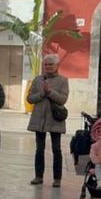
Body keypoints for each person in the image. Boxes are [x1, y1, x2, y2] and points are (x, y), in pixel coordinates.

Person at [27, 54, 69, 188]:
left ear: (57, 66)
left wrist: (50, 92)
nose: (48, 67)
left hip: (55, 119)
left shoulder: (63, 80)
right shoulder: (38, 80)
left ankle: (57, 178)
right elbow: (30, 98)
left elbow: (63, 99)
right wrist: (41, 94)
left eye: (51, 64)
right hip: (39, 119)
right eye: (46, 64)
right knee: (39, 149)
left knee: (56, 149)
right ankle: (38, 176)